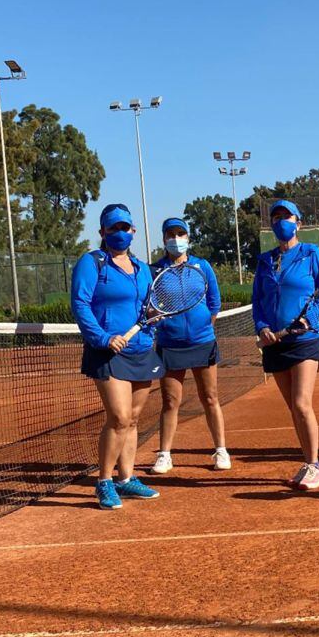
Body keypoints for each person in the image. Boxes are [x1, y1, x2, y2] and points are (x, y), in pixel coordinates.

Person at [70, 203, 164, 510]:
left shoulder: (142, 269)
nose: (120, 233)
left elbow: (145, 307)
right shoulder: (91, 262)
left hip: (140, 349)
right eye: (114, 228)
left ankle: (126, 479)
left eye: (125, 228)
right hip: (107, 352)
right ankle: (104, 482)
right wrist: (102, 337)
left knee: (134, 419)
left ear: (133, 231)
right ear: (103, 232)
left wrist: (151, 316)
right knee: (119, 417)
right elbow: (81, 304)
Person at [252, 199, 319, 491]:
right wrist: (262, 328)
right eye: (275, 217)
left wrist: (309, 318)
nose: (280, 222)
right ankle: (307, 461)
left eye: (286, 216)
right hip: (274, 345)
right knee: (293, 409)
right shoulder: (264, 260)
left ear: (298, 222)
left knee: (301, 404)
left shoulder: (311, 253)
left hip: (304, 340)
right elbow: (258, 302)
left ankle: (315, 465)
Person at [149, 217, 230, 475]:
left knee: (210, 397)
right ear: (164, 239)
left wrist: (203, 327)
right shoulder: (154, 271)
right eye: (171, 234)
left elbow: (214, 303)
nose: (176, 238)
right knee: (171, 401)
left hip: (202, 342)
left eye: (180, 233)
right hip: (169, 345)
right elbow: (149, 308)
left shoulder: (202, 266)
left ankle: (220, 450)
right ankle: (164, 455)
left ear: (188, 237)